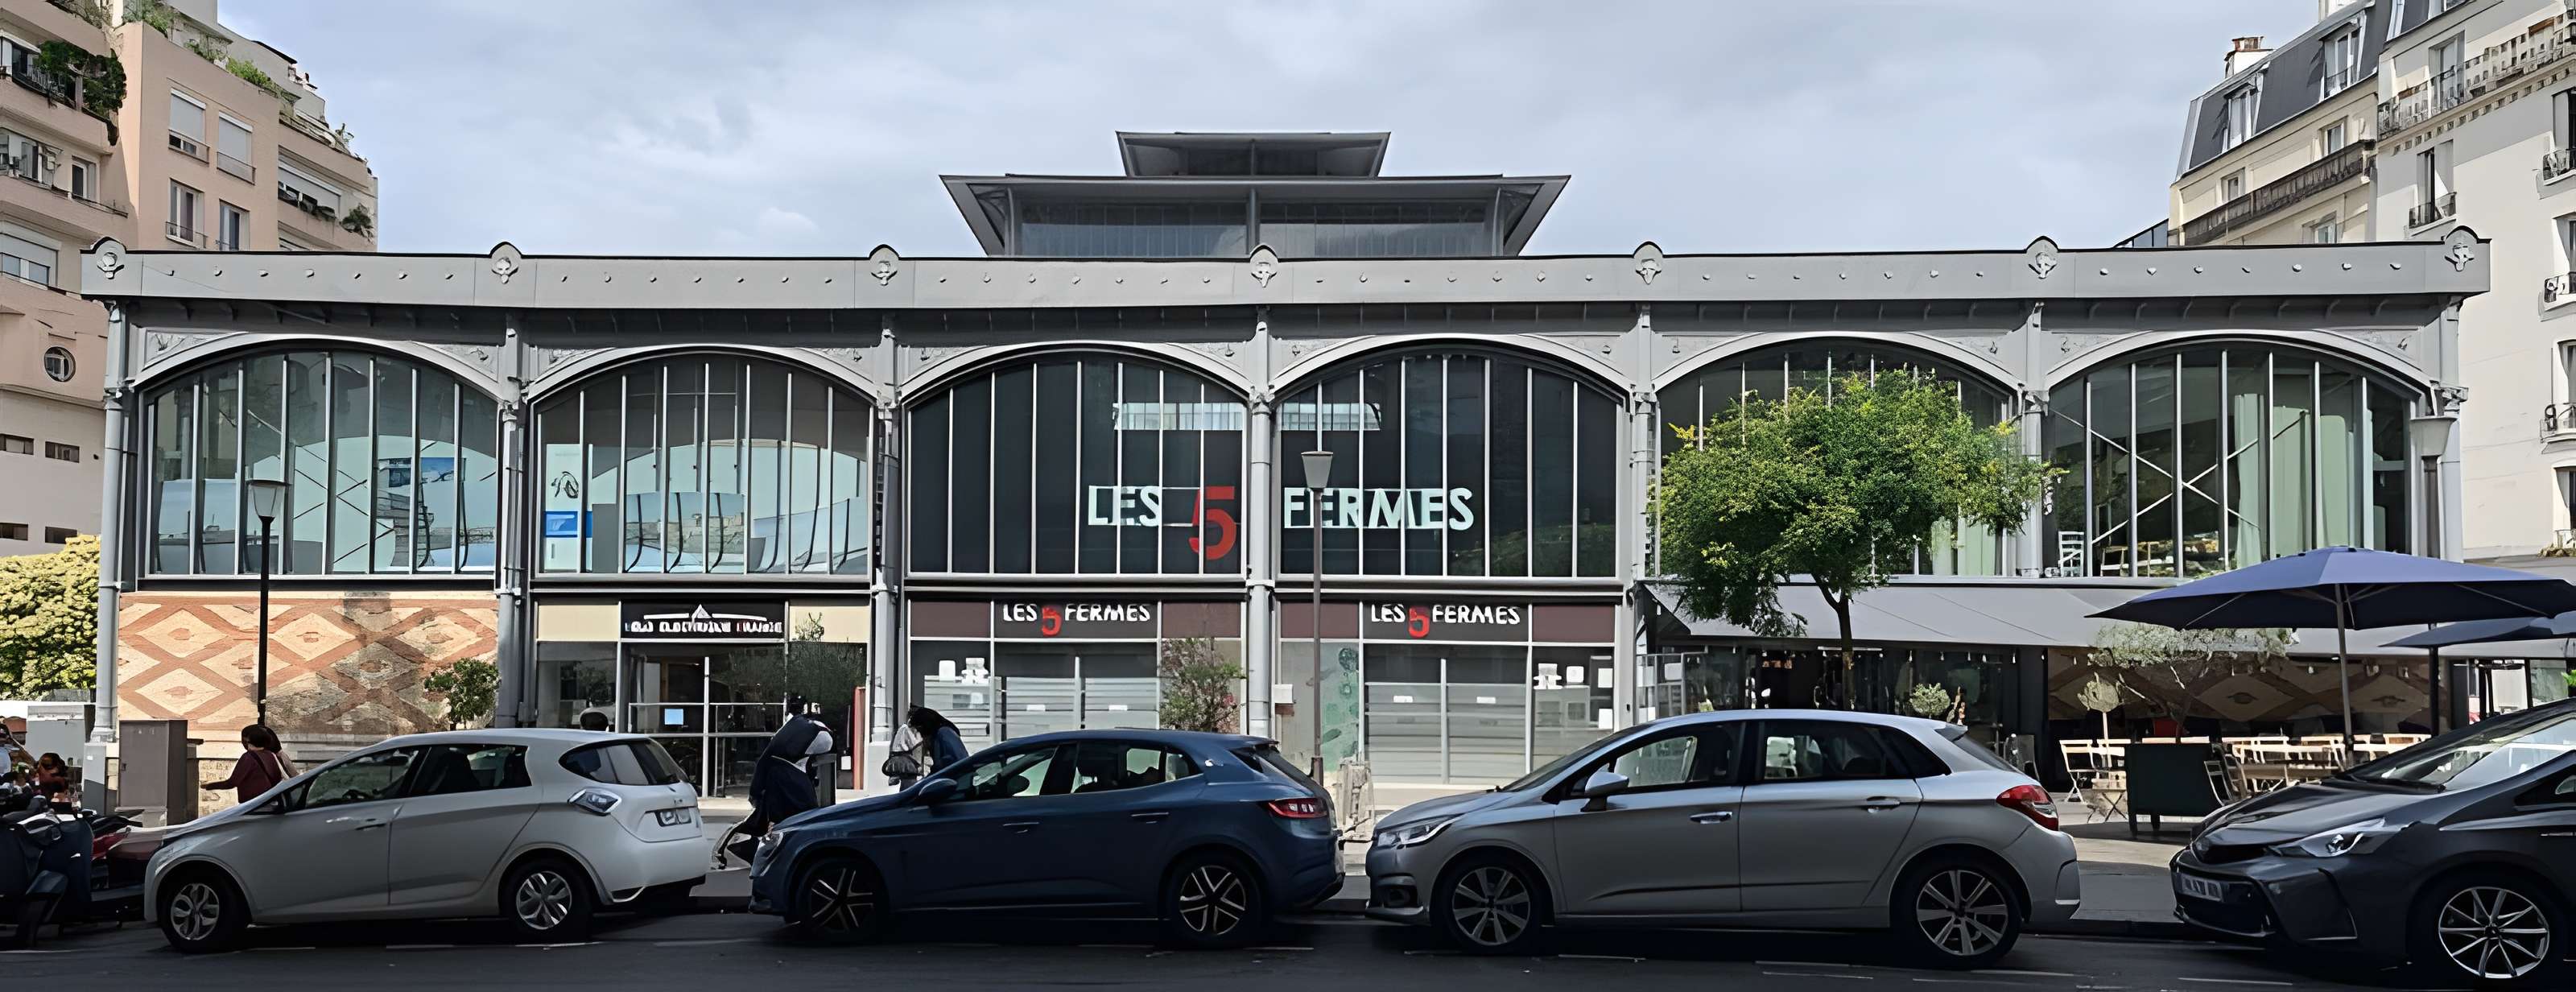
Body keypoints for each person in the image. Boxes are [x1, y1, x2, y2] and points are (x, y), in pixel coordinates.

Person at [203, 724, 294, 808]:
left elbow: (232, 783)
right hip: (269, 802)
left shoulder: (248, 757)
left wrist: (208, 786)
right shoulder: (271, 755)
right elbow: (277, 778)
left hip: (253, 805)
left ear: (247, 740)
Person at [909, 705, 968, 774]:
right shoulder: (939, 734)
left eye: (919, 729)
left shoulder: (944, 732)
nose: (920, 732)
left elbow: (951, 760)